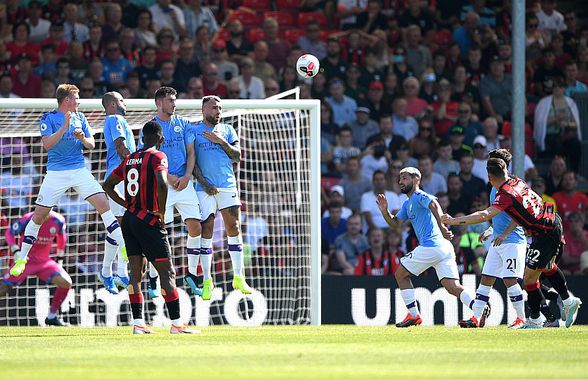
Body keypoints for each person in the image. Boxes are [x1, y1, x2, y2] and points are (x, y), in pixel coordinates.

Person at [442, 158, 582, 328]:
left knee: (528, 279)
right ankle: (564, 302)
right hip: (548, 225)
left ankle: (535, 318)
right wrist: (493, 230)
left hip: (544, 232)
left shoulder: (504, 194)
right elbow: (530, 206)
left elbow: (484, 215)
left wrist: (453, 221)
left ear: (490, 177)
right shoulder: (516, 181)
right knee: (540, 271)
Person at [9, 84, 126, 280]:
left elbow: (92, 145)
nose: (79, 101)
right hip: (56, 173)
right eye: (76, 98)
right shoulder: (48, 118)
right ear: (67, 100)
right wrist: (64, 127)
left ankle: (123, 246)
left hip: (79, 170)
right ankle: (21, 259)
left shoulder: (81, 117)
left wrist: (82, 139)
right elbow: (47, 145)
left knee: (104, 205)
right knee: (38, 217)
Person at [103, 120, 197, 334]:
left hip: (129, 220)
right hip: (149, 220)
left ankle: (137, 323)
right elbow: (162, 183)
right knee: (167, 271)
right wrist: (161, 212)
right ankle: (175, 323)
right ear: (161, 140)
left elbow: (107, 185)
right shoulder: (158, 156)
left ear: (142, 138)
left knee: (136, 272)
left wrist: (126, 204)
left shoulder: (129, 159)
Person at [376, 167, 477, 327]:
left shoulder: (418, 196)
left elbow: (434, 204)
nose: (400, 182)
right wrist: (385, 212)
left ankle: (414, 315)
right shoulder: (408, 203)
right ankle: (478, 308)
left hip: (432, 246)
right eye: (400, 178)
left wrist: (443, 226)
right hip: (444, 248)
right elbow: (395, 224)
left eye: (404, 178)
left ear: (416, 180)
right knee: (452, 286)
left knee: (400, 274)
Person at [138, 87, 202, 298]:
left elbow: (191, 152)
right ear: (159, 103)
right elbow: (148, 156)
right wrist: (169, 178)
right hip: (160, 184)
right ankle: (155, 278)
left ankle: (192, 274)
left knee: (195, 226)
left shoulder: (183, 124)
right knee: (157, 231)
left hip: (184, 183)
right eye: (170, 101)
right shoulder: (150, 127)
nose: (174, 104)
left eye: (175, 100)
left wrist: (185, 176)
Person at [190, 95, 252, 300]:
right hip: (204, 188)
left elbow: (237, 156)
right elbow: (191, 162)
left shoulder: (227, 130)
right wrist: (205, 184)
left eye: (220, 108)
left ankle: (238, 277)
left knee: (233, 228)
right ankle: (207, 280)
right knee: (206, 230)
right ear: (204, 109)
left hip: (227, 185)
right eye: (214, 108)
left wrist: (221, 141)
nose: (218, 111)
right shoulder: (194, 131)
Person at [466, 149, 528, 328]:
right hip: (497, 240)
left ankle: (521, 318)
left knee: (510, 280)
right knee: (486, 278)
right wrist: (491, 230)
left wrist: (504, 234)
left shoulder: (513, 187)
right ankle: (475, 317)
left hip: (513, 241)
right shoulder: (495, 187)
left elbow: (520, 215)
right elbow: (499, 213)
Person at [2, 210, 71, 326]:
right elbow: (9, 233)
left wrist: (59, 260)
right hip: (25, 261)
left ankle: (52, 316)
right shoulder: (27, 218)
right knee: (4, 288)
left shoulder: (58, 220)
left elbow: (62, 239)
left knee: (66, 282)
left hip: (44, 262)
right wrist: (15, 251)